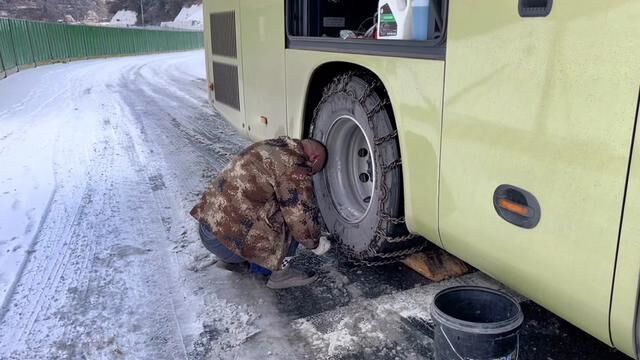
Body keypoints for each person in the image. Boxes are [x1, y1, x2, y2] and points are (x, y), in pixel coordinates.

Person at [190, 136, 331, 289]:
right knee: (294, 213)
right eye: (314, 171)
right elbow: (300, 216)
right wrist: (315, 243)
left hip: (208, 230)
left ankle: (237, 260)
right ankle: (280, 275)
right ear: (314, 159)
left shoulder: (270, 146)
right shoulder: (294, 164)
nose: (311, 175)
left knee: (268, 200)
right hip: (226, 244)